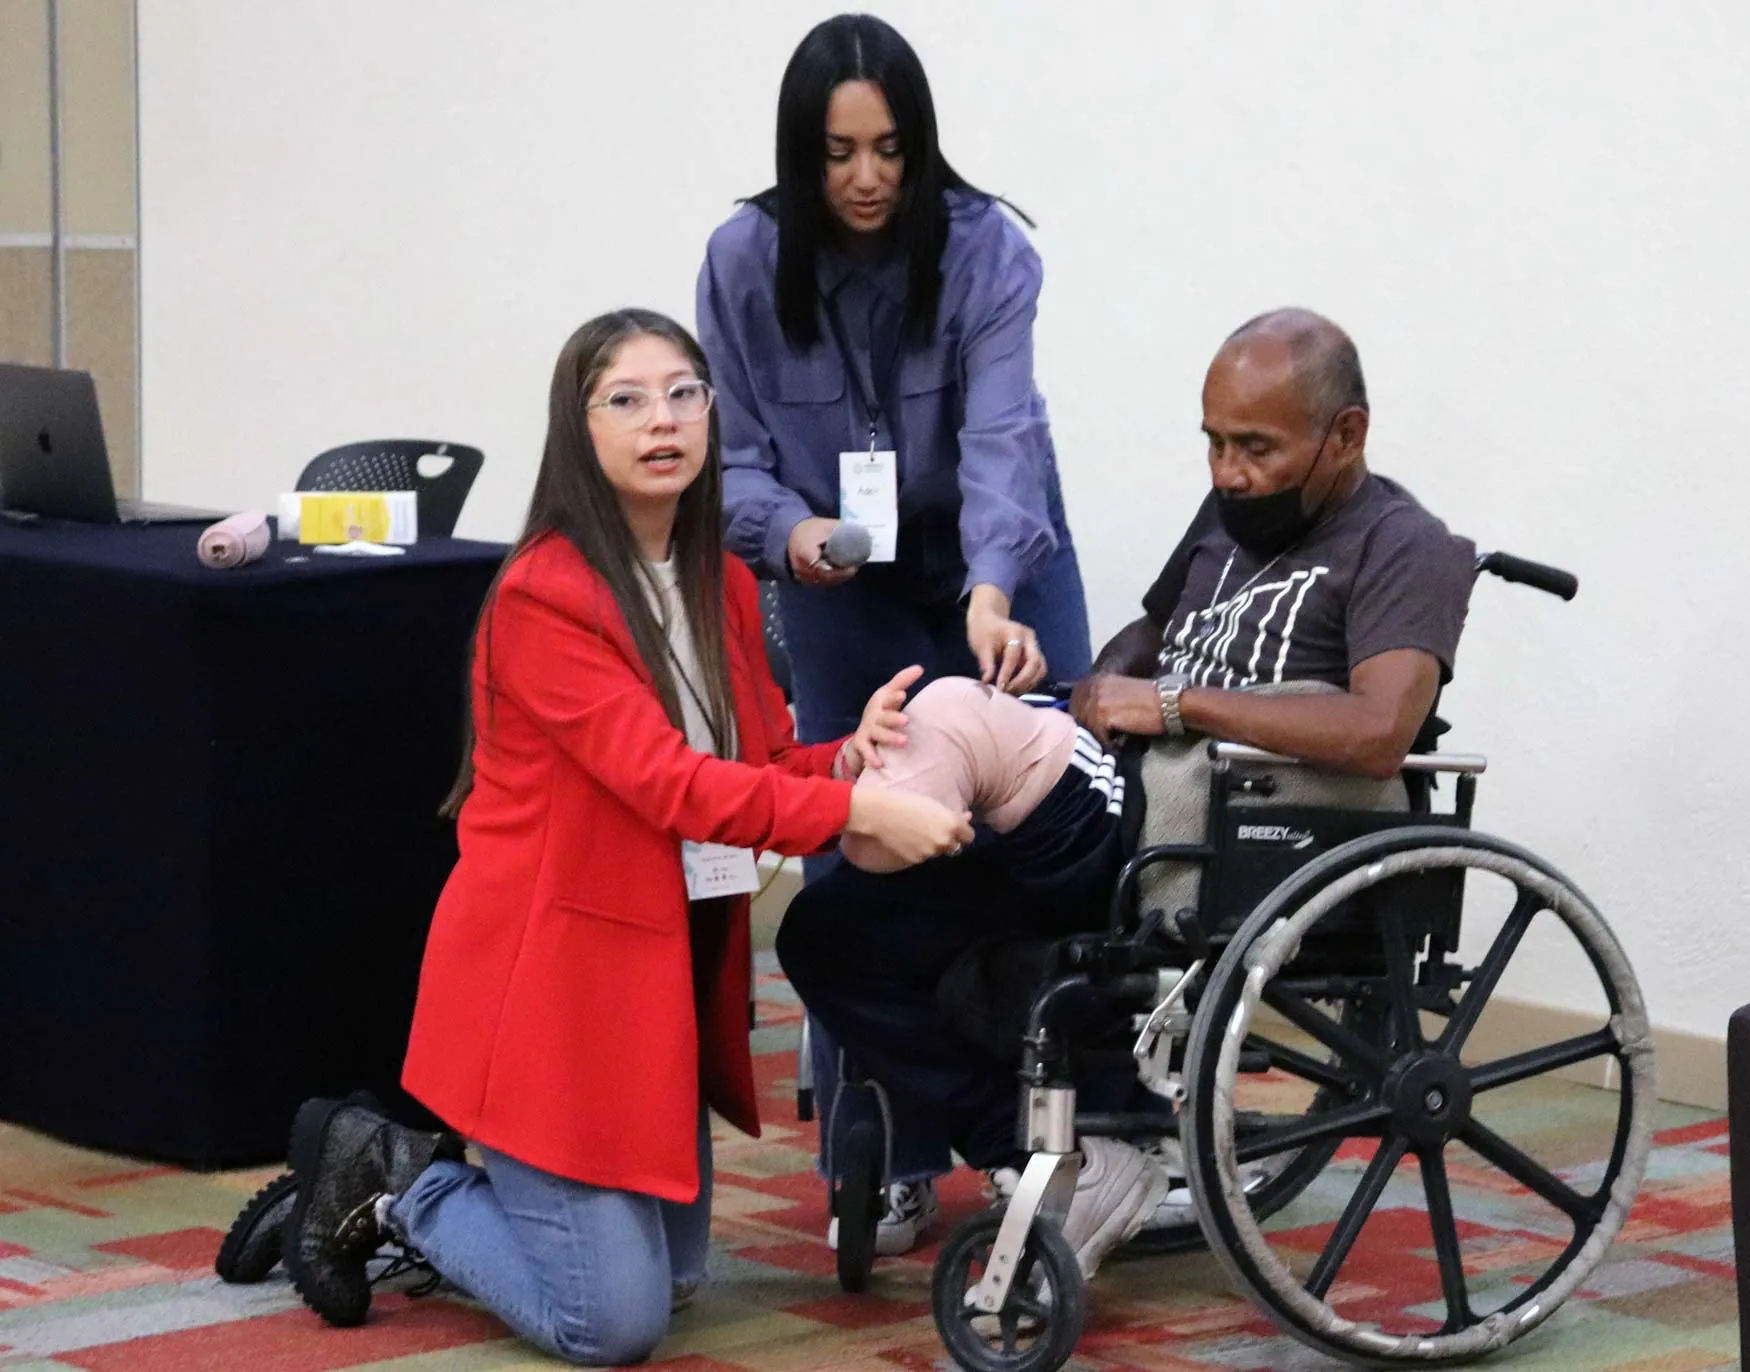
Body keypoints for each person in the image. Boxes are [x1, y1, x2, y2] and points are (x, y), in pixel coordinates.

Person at [275, 308, 973, 1367]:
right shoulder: (544, 595)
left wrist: (842, 761)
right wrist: (858, 813)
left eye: (685, 393)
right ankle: (397, 1174)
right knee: (611, 1322)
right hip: (550, 989)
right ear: (579, 428)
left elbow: (750, 762)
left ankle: (468, 1196)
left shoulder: (724, 583)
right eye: (628, 399)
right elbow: (670, 786)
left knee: (678, 1279)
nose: (664, 419)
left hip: (656, 980)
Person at [776, 306, 1480, 1276]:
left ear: (1345, 434)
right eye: (1215, 443)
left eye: (1256, 448)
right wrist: (1091, 693)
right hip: (1118, 798)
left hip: (1200, 828)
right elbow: (1144, 641)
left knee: (946, 716)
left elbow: (1378, 730)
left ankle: (879, 788)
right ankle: (1045, 1150)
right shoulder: (1228, 516)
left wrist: (1177, 704)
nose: (1228, 471)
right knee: (830, 930)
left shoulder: (1406, 546)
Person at [697, 12, 1094, 1254]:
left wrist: (991, 590)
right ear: (800, 157)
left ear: (922, 148)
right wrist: (789, 536)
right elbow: (737, 459)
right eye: (837, 153)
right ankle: (897, 1151)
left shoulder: (987, 251)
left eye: (889, 150)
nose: (867, 179)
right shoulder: (742, 260)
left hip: (999, 555)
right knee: (857, 838)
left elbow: (1002, 437)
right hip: (840, 578)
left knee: (1055, 834)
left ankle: (1087, 1135)